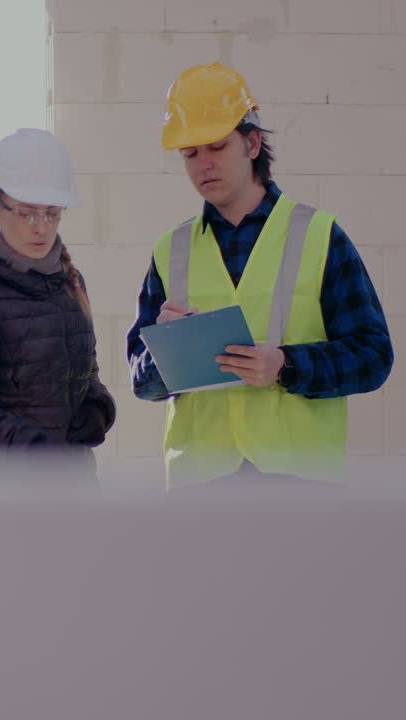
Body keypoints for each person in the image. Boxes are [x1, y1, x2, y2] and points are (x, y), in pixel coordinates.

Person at [127, 62, 393, 489]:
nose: (202, 165)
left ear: (252, 143)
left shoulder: (320, 236)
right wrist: (164, 354)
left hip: (299, 486)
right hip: (202, 489)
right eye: (190, 153)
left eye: (216, 146)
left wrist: (287, 364)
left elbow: (374, 356)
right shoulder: (170, 251)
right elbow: (141, 380)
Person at [0, 128, 115, 484]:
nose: (40, 227)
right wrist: (35, 449)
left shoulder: (71, 282)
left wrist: (98, 408)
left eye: (51, 213)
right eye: (27, 213)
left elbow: (86, 375)